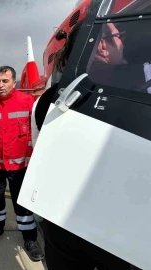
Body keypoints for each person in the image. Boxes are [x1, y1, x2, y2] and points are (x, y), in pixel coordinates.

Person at [32, 21, 133, 270]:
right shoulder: (132, 98)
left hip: (73, 223)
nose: (119, 41)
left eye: (117, 36)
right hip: (100, 229)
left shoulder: (48, 100)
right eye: (116, 36)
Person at [0, 66, 45, 262]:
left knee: (22, 203)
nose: (0, 85)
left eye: (5, 81)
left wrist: (33, 156)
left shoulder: (28, 102)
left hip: (20, 165)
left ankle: (29, 239)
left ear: (15, 83)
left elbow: (35, 132)